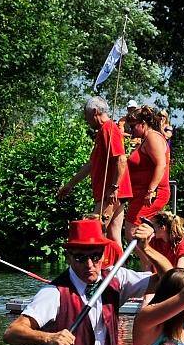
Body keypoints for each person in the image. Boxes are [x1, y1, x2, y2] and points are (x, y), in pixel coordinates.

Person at [2, 220, 160, 345]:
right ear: (69, 257)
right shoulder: (53, 293)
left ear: (103, 254)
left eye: (95, 256)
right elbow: (11, 333)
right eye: (80, 258)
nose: (89, 265)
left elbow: (171, 282)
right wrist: (48, 337)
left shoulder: (117, 280)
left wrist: (147, 249)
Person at [57, 97, 133, 244]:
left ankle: (99, 266)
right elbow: (91, 164)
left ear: (95, 112)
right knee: (113, 235)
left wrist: (114, 188)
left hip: (112, 192)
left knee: (96, 230)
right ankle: (115, 266)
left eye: (86, 116)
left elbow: (121, 159)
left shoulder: (109, 129)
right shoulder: (102, 132)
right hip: (114, 192)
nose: (86, 120)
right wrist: (69, 185)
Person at [124, 106, 170, 230]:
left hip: (152, 195)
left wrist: (151, 191)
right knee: (138, 233)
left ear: (143, 124)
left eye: (133, 126)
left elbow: (161, 164)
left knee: (133, 231)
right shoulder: (145, 140)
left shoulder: (152, 137)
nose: (131, 130)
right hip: (140, 195)